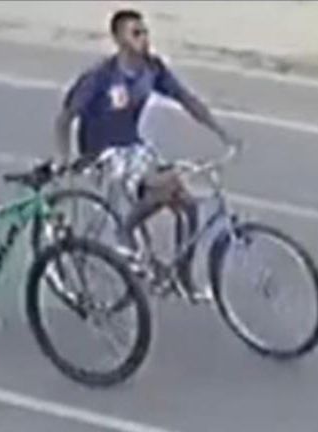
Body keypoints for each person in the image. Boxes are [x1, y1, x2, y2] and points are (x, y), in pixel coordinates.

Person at [54, 8, 239, 263]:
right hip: (102, 155)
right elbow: (65, 118)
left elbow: (187, 100)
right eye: (136, 33)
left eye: (145, 32)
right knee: (168, 184)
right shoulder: (101, 77)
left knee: (187, 204)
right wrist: (64, 158)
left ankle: (182, 271)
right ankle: (125, 230)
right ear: (119, 39)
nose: (144, 38)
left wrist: (222, 132)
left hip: (134, 149)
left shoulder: (151, 69)